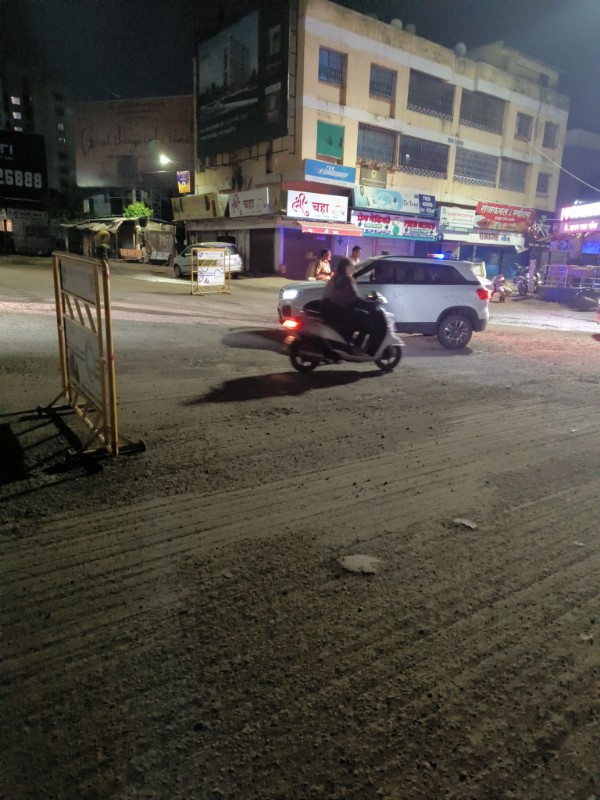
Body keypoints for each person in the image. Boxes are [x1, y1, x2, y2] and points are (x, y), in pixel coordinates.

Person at [321, 257, 385, 355]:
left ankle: (350, 343)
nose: (353, 269)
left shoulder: (335, 278)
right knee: (366, 322)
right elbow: (355, 299)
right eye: (352, 267)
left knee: (360, 315)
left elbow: (348, 297)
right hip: (341, 311)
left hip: (332, 310)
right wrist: (372, 304)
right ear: (347, 267)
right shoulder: (347, 280)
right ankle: (356, 347)